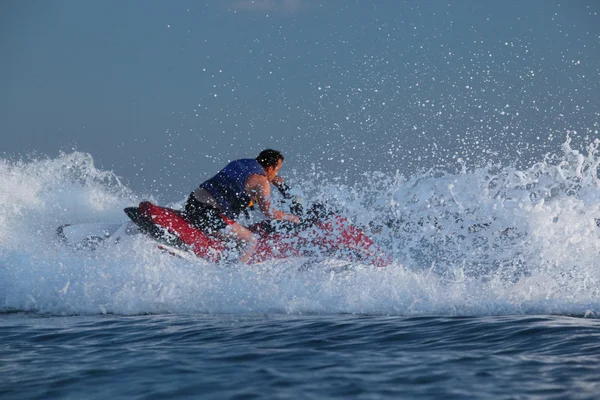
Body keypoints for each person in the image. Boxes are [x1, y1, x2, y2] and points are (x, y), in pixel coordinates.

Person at [185, 149, 300, 263]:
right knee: (250, 241)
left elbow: (238, 186)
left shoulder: (240, 163)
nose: (276, 174)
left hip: (193, 202)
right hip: (207, 214)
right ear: (270, 168)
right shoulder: (261, 181)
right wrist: (293, 218)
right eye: (277, 170)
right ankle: (233, 274)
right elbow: (268, 212)